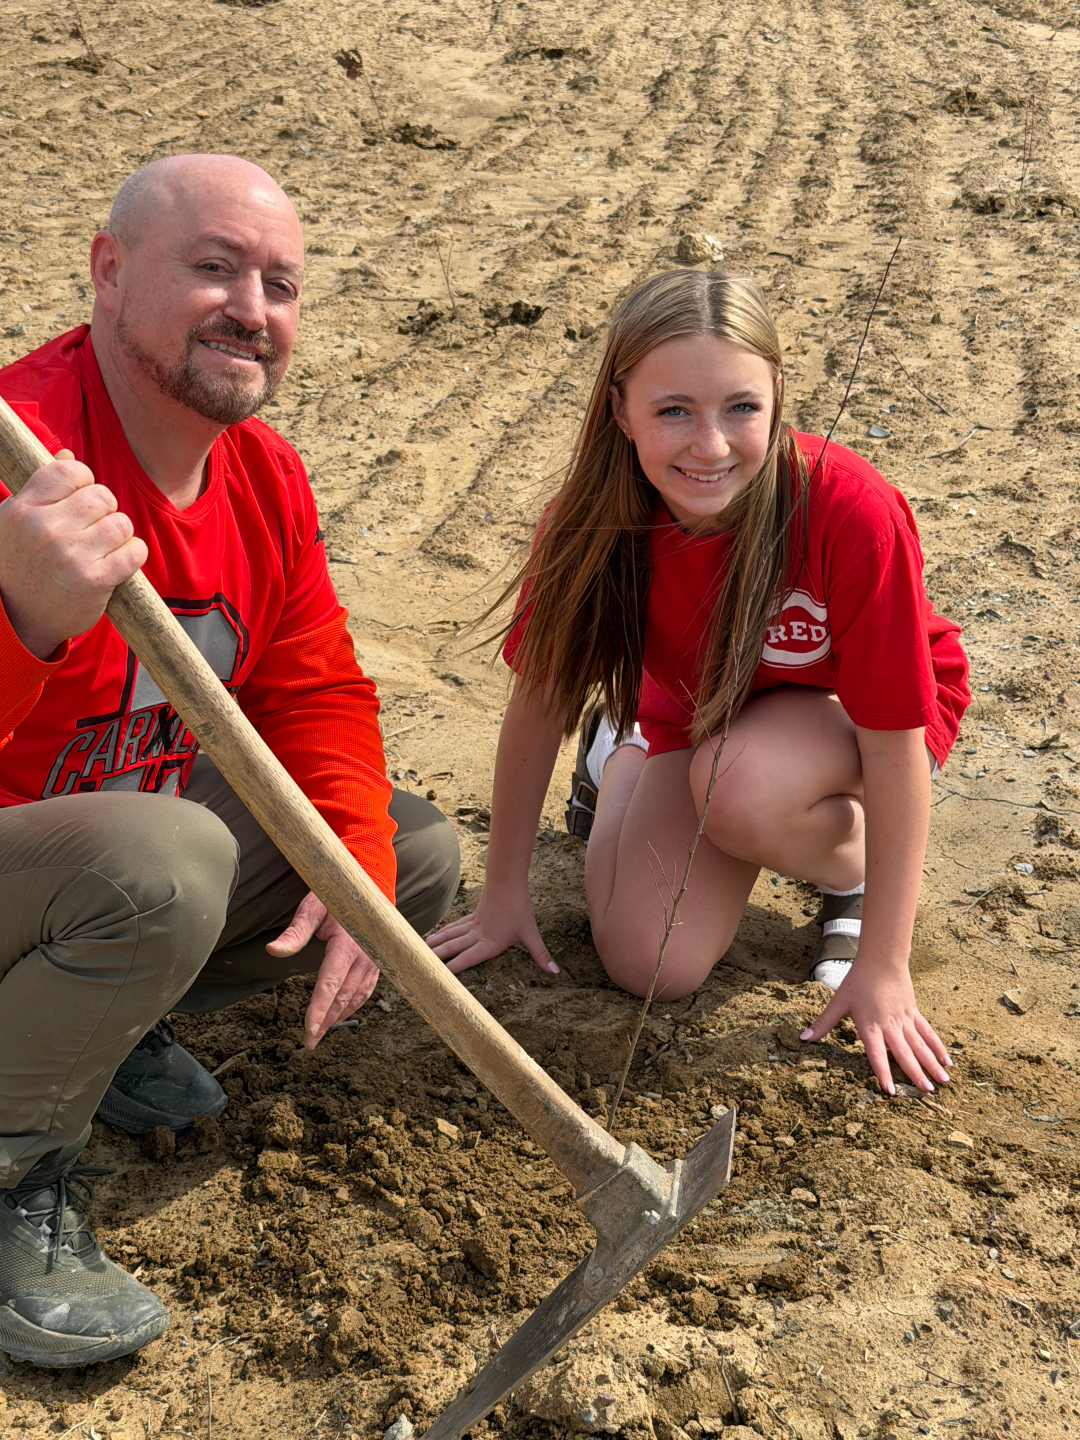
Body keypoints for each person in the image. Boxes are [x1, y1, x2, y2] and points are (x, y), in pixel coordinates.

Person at [0, 153, 459, 1367]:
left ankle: (92, 1028)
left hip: (85, 869)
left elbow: (314, 689)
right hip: (76, 865)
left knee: (402, 857)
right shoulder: (17, 454)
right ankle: (10, 1168)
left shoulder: (262, 476)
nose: (252, 309)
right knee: (164, 862)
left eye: (280, 284)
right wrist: (19, 618)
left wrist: (352, 864)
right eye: (214, 268)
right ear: (108, 272)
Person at [428, 269, 969, 1102]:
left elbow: (894, 741)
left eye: (740, 407)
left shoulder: (851, 508)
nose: (710, 446)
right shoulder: (585, 521)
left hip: (847, 726)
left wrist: (884, 963)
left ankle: (851, 873)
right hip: (698, 714)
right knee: (650, 965)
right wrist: (503, 894)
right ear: (621, 410)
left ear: (778, 394)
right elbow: (537, 707)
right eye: (673, 410)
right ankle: (620, 755)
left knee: (740, 786)